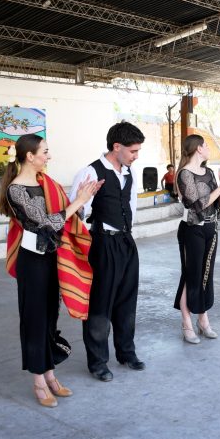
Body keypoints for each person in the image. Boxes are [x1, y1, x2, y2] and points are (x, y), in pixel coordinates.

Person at [0, 134, 101, 407]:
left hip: (51, 257)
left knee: (49, 318)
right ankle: (39, 382)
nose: (48, 156)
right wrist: (78, 201)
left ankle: (50, 374)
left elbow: (64, 217)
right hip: (32, 263)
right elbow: (45, 223)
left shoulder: (46, 183)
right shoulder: (16, 190)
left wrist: (83, 198)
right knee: (35, 320)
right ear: (29, 156)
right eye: (44, 151)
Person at [70, 121, 146, 383]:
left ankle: (126, 352)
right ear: (117, 147)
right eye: (133, 151)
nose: (136, 156)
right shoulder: (90, 172)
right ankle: (98, 361)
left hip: (126, 242)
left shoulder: (129, 173)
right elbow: (77, 212)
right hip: (102, 244)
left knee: (127, 302)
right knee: (99, 306)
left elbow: (132, 205)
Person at [173, 135, 220, 344]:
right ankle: (186, 323)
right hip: (192, 229)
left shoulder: (208, 172)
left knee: (206, 274)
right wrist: (219, 189)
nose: (208, 148)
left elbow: (218, 204)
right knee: (191, 276)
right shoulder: (184, 174)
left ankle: (203, 320)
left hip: (210, 228)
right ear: (198, 148)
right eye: (206, 145)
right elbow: (197, 205)